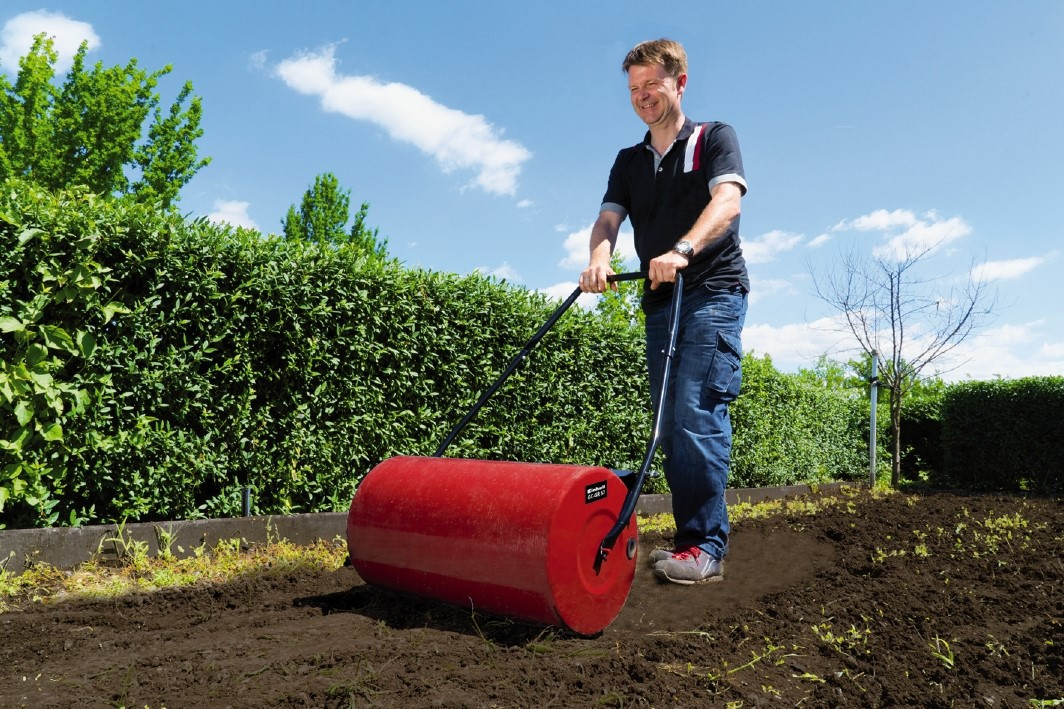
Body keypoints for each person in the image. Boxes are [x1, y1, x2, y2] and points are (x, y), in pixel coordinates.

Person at [579, 38, 749, 585]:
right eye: (633, 88)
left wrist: (682, 249)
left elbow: (727, 202)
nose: (641, 96)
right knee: (669, 426)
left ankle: (706, 547)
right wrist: (598, 260)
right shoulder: (628, 161)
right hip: (662, 300)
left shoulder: (712, 139)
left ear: (679, 83)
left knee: (697, 415)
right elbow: (608, 221)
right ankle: (689, 543)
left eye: (652, 84)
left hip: (713, 291)